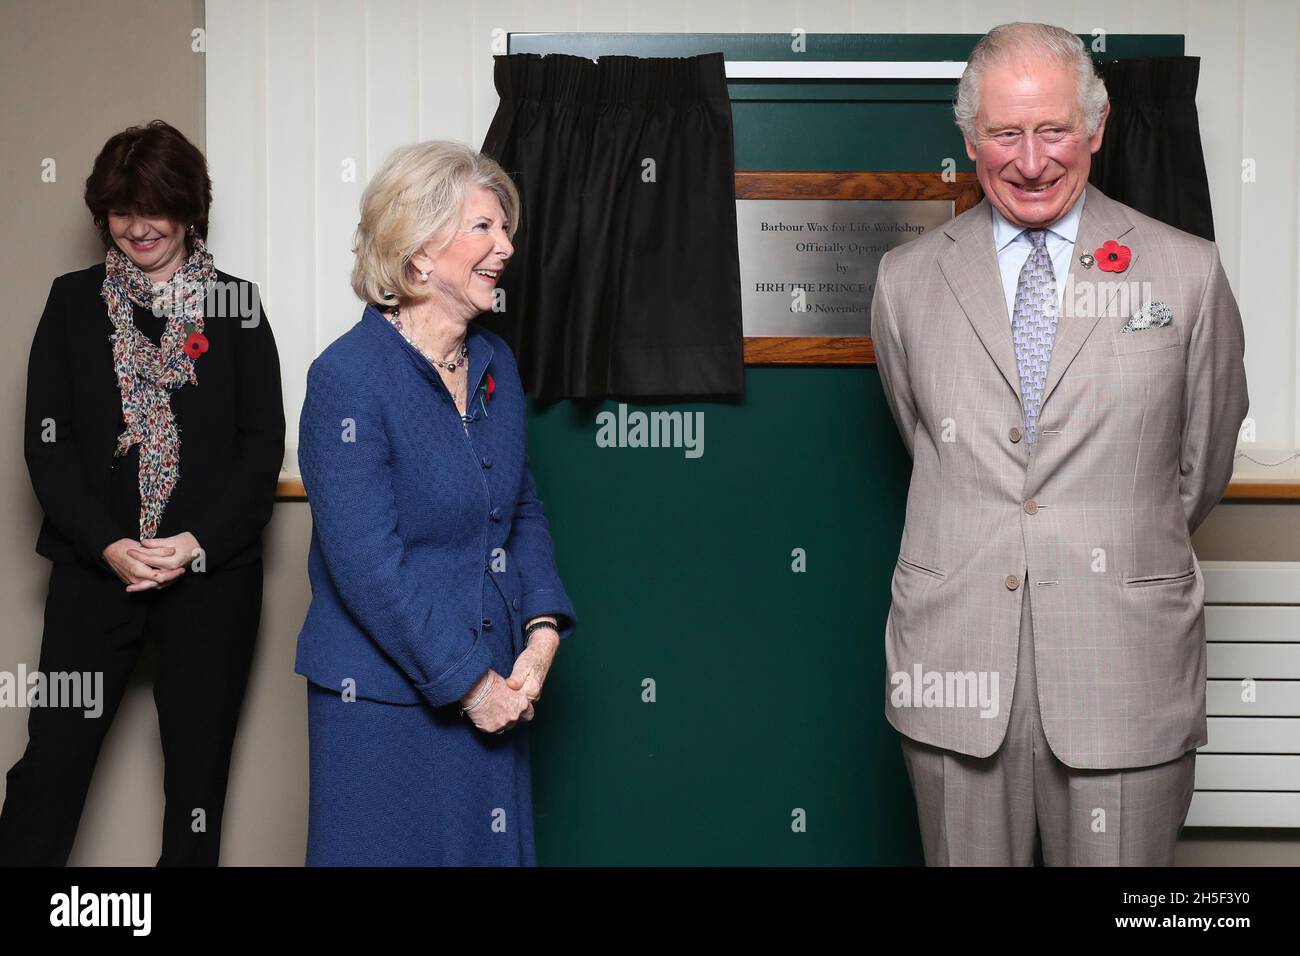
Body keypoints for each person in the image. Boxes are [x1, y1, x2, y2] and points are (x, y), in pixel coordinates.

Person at [871, 23, 1249, 865]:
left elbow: (1202, 464)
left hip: (1126, 663)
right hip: (955, 662)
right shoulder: (906, 281)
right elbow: (925, 434)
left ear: (1097, 127)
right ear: (971, 140)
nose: (1032, 161)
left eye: (1053, 130)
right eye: (1006, 133)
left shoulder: (1187, 273)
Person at [0, 120, 285, 865]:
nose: (138, 228)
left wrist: (195, 544)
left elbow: (261, 453)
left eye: (154, 209)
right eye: (121, 212)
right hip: (96, 572)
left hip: (209, 579)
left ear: (190, 209)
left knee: (196, 785)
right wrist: (107, 545)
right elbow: (47, 444)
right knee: (50, 769)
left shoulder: (238, 306)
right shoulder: (71, 304)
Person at [296, 141, 576, 866]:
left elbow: (521, 508)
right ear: (417, 253)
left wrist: (542, 629)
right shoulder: (346, 379)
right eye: (483, 228)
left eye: (503, 229)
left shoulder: (495, 362)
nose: (506, 247)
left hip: (494, 688)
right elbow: (367, 566)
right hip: (385, 706)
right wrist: (470, 684)